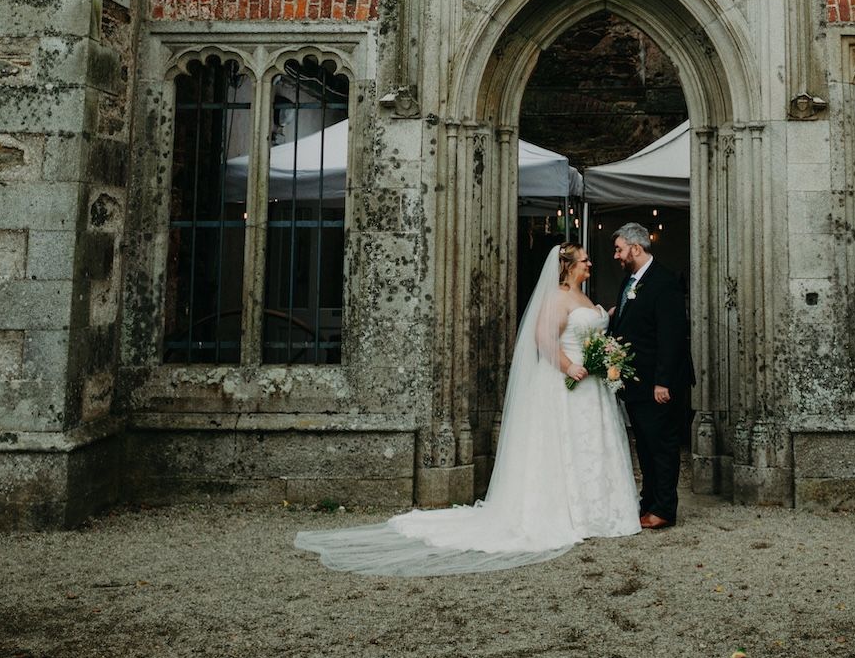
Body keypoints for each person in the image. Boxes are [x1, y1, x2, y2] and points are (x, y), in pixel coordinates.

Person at [293, 244, 640, 575]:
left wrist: (602, 334)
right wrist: (568, 366)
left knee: (591, 448)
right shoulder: (556, 297)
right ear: (568, 267)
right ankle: (571, 512)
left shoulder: (582, 297)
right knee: (565, 446)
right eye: (585, 261)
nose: (590, 265)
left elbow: (587, 333)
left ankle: (599, 511)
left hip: (592, 387)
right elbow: (543, 339)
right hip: (570, 383)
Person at [608, 222, 694, 529]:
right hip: (635, 382)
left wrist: (663, 382)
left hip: (658, 384)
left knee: (662, 445)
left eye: (619, 249)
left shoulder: (665, 281)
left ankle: (665, 509)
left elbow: (671, 335)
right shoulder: (630, 281)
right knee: (644, 445)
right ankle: (648, 501)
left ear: (635, 247)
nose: (616, 256)